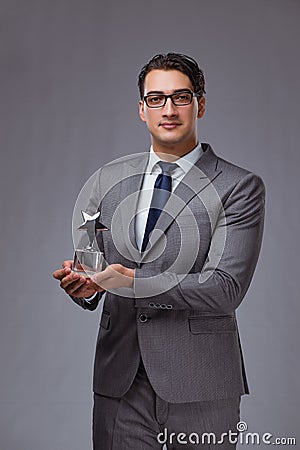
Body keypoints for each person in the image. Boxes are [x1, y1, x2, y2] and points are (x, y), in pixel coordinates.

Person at [53, 53, 265, 449]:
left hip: (201, 382)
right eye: (156, 98)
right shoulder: (108, 179)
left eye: (180, 97)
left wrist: (136, 281)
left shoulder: (238, 186)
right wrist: (86, 284)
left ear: (200, 104)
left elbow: (225, 289)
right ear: (141, 109)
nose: (168, 109)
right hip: (121, 380)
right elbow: (94, 266)